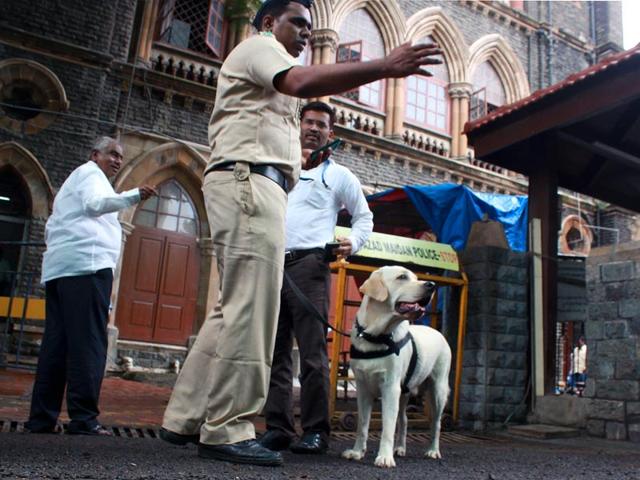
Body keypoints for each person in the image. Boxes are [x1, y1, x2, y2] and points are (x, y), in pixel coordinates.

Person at [160, 0, 442, 467]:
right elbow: (300, 80)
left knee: (233, 310)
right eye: (299, 23)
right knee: (250, 312)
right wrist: (384, 67)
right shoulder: (260, 46)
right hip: (249, 183)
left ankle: (188, 416)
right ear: (270, 22)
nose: (307, 32)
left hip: (258, 189)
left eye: (312, 27)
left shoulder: (278, 85)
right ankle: (227, 426)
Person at [259, 101, 373, 454]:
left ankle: (316, 431)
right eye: (308, 121)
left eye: (320, 124)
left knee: (311, 355)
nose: (313, 128)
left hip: (310, 267)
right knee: (274, 353)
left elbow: (364, 218)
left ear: (330, 133)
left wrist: (351, 242)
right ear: (299, 125)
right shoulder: (281, 167)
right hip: (272, 264)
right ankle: (277, 427)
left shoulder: (339, 176)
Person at [25, 137, 156, 435]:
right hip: (87, 268)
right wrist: (134, 196)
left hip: (62, 270)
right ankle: (84, 419)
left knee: (56, 346)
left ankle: (42, 419)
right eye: (112, 154)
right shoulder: (90, 174)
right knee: (89, 344)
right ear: (94, 155)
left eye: (121, 157)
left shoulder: (81, 179)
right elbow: (96, 205)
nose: (117, 161)